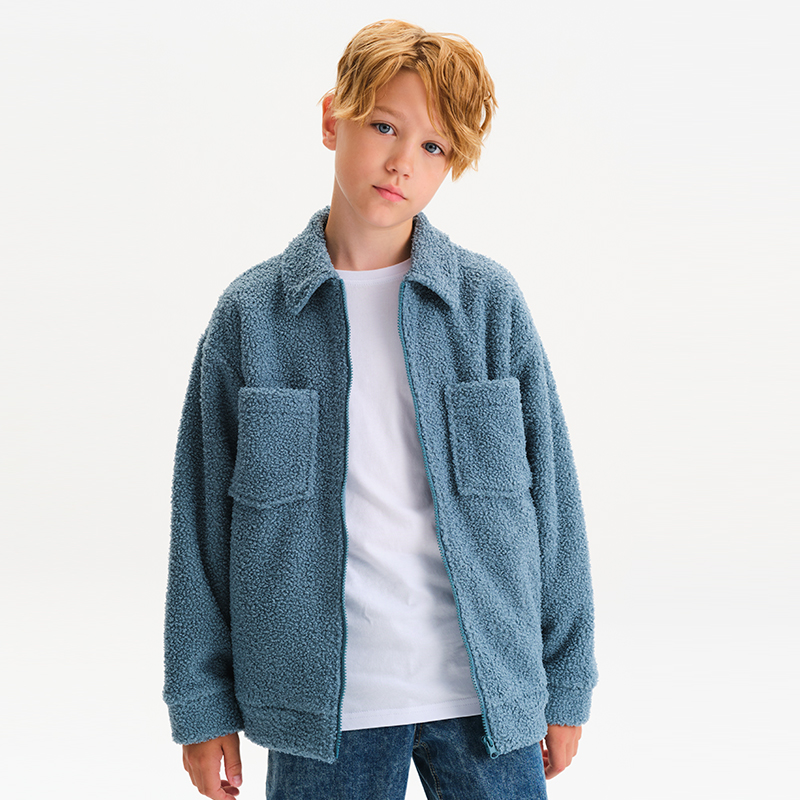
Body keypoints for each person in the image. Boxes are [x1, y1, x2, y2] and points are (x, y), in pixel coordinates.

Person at [163, 19, 597, 800]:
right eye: (385, 127)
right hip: (322, 709)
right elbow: (199, 527)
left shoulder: (487, 306)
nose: (402, 162)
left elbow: (554, 504)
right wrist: (201, 703)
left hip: (485, 694)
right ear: (333, 119)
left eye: (432, 146)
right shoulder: (252, 318)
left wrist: (565, 681)